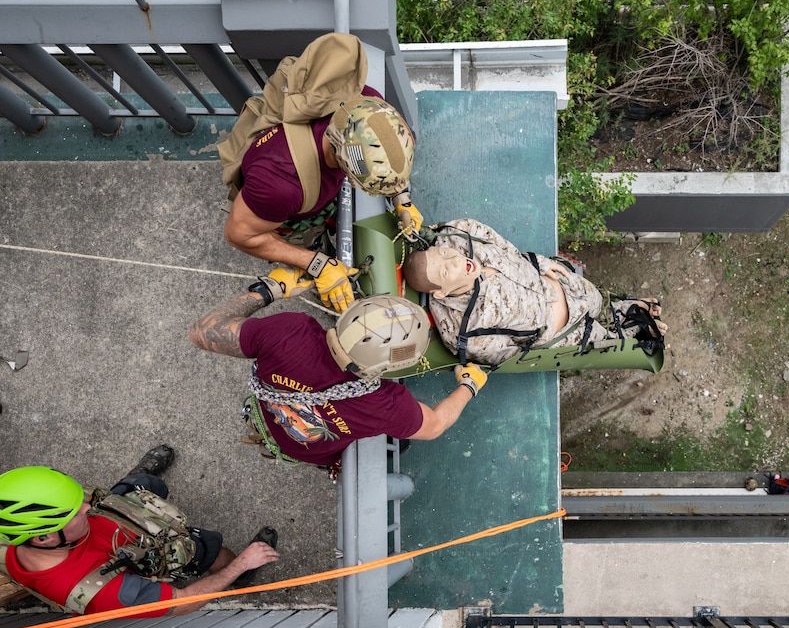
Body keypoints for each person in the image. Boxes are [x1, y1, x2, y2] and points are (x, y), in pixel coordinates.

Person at [188, 273, 487, 468]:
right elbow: (434, 425)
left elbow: (202, 332)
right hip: (305, 451)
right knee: (400, 441)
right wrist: (468, 386)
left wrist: (267, 290)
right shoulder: (388, 405)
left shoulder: (291, 330)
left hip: (266, 417)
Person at [0, 446, 279, 618]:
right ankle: (240, 575)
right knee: (206, 548)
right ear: (45, 537)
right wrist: (242, 563)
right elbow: (184, 602)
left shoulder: (23, 531)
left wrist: (109, 502)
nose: (88, 507)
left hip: (123, 513)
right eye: (74, 511)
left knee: (142, 484)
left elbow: (94, 505)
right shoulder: (101, 593)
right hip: (151, 544)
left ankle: (144, 481)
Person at [223, 91, 420, 314]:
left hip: (313, 190)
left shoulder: (363, 105)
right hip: (288, 207)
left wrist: (400, 197)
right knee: (309, 248)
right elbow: (238, 235)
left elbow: (386, 148)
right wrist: (317, 264)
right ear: (343, 159)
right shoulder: (281, 185)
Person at [401, 218, 666, 367]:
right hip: (564, 333)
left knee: (598, 299)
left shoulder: (459, 235)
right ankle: (636, 328)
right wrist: (550, 338)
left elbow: (503, 245)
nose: (456, 260)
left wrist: (541, 263)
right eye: (446, 271)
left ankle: (621, 307)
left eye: (445, 254)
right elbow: (509, 356)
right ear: (441, 292)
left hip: (561, 284)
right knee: (613, 342)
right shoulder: (464, 330)